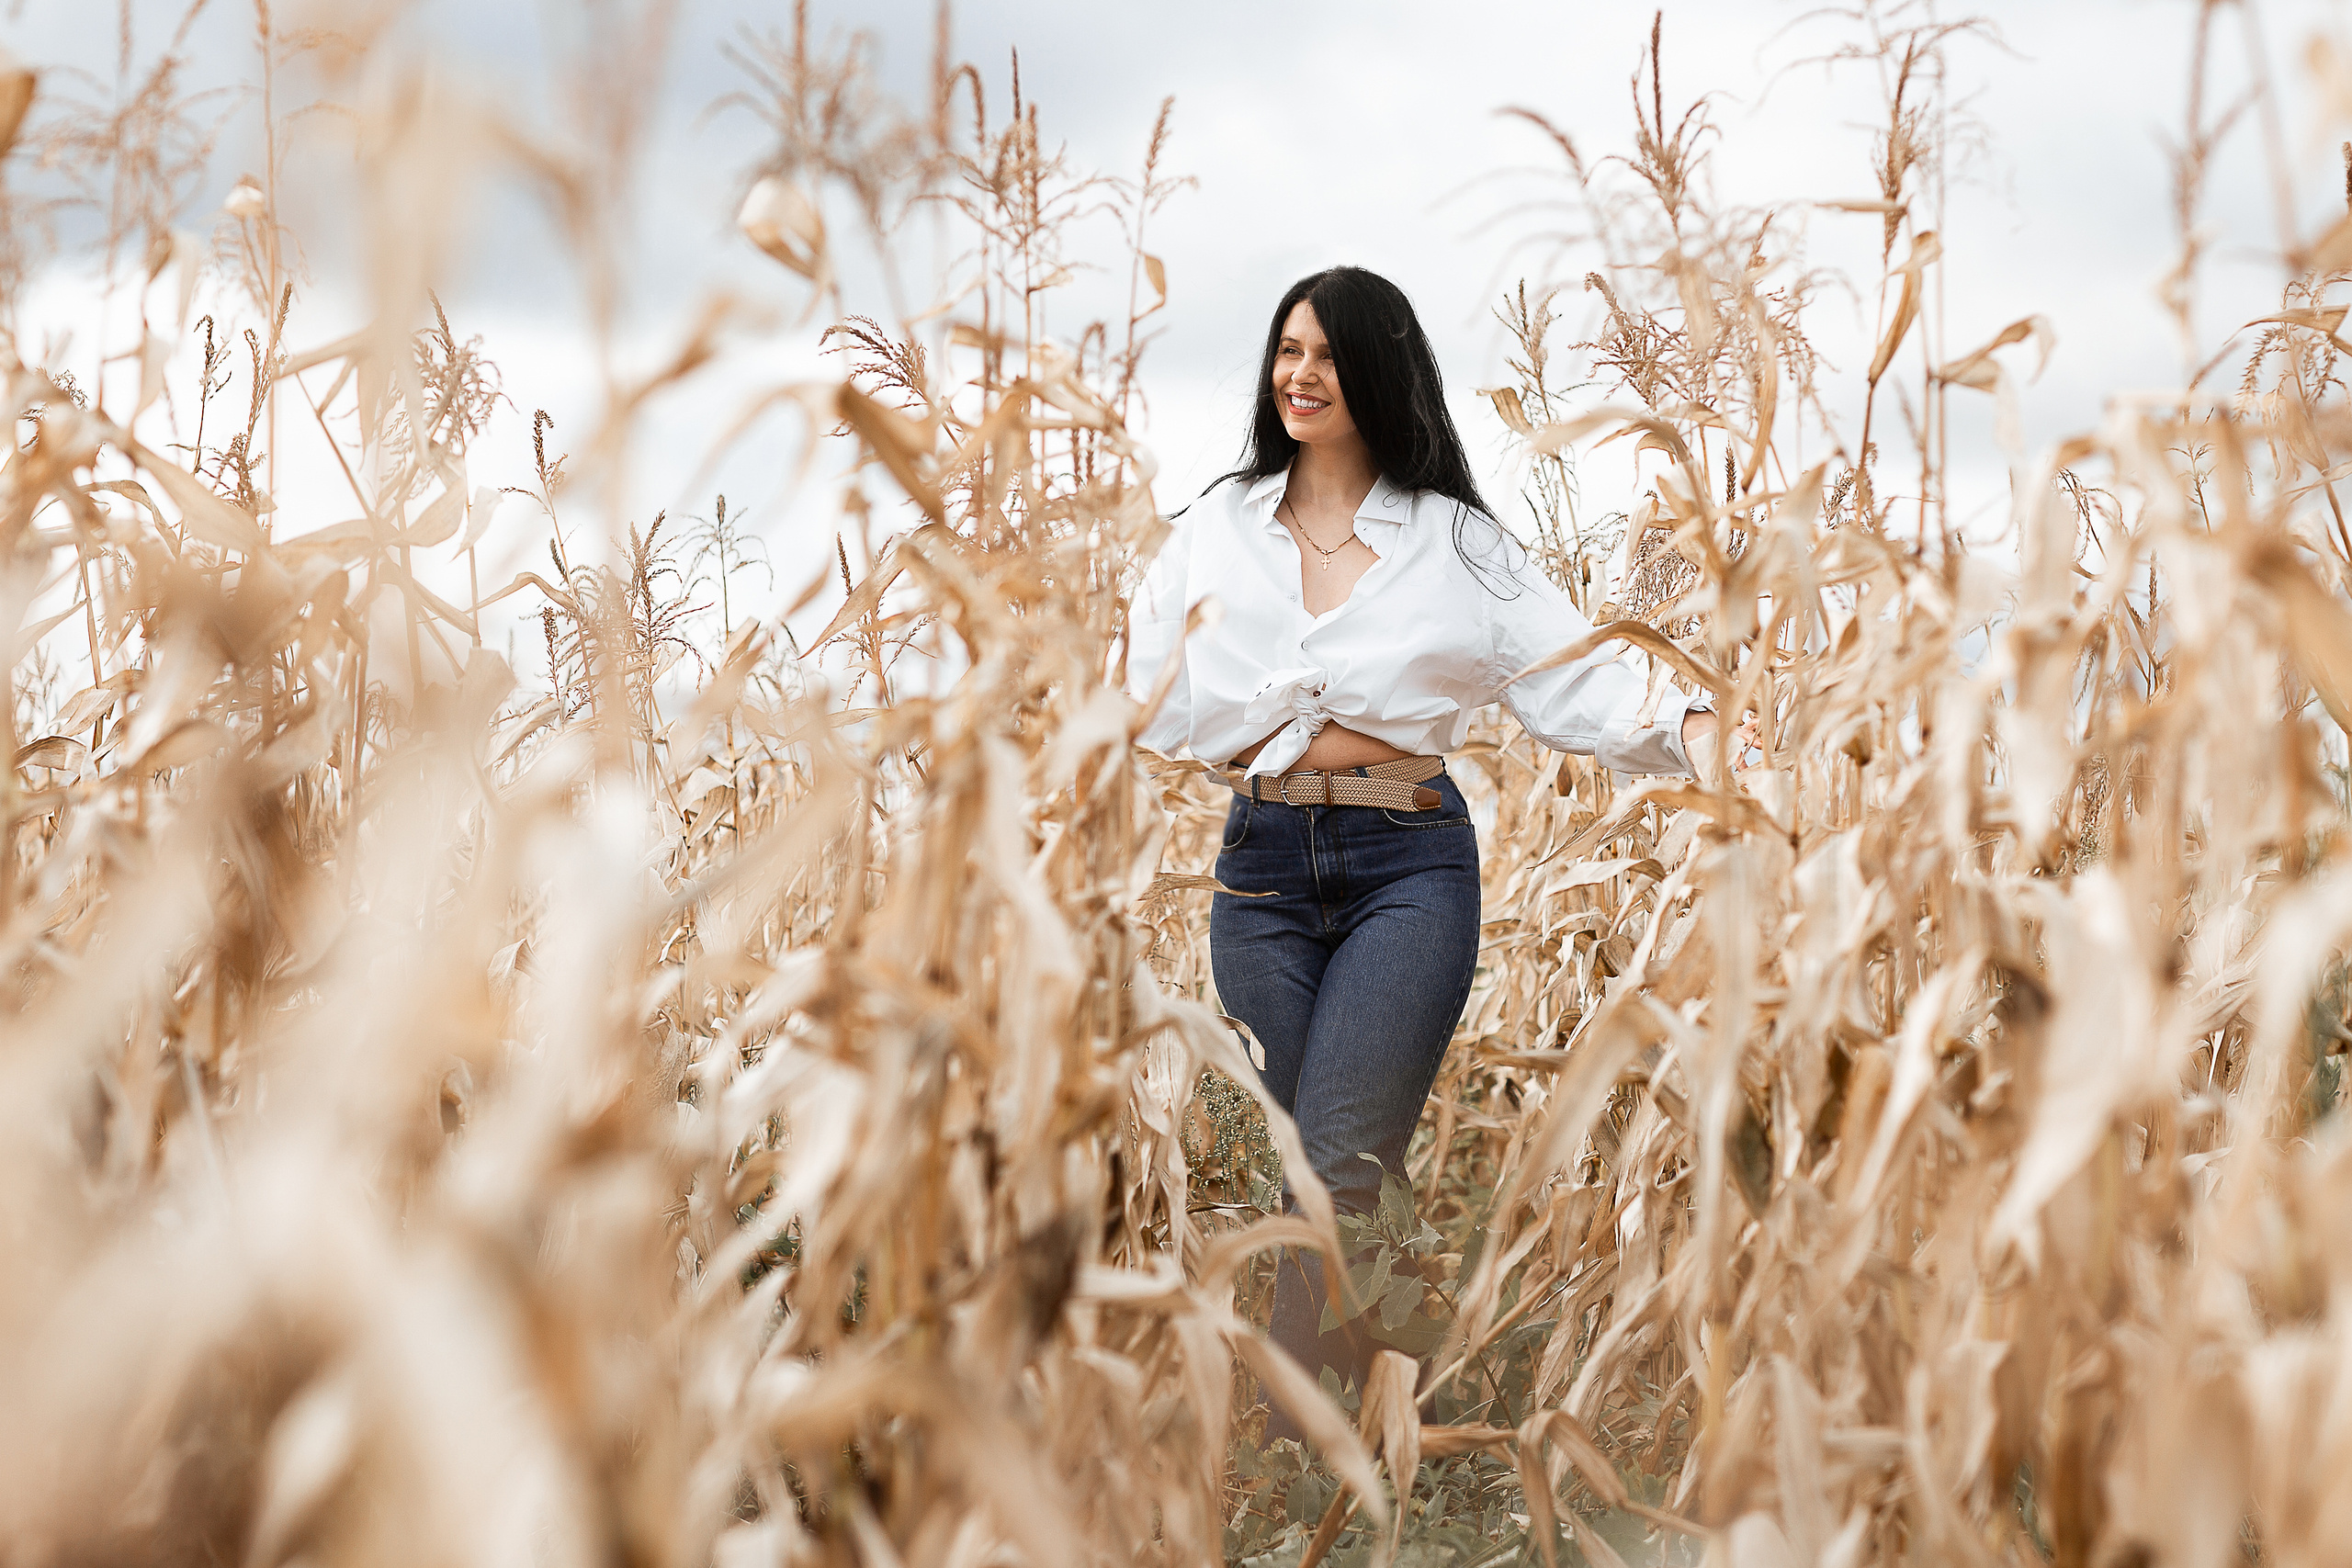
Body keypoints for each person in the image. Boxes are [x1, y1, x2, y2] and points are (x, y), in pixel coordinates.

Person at [1125, 265, 1721, 1434]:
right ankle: (1391, 1396)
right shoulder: (1215, 526)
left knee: (1342, 1153)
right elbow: (1133, 693)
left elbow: (1570, 669)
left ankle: (1289, 1453)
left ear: (1380, 372)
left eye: (1329, 354)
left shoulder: (1454, 540)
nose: (1301, 374)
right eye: (1287, 350)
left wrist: (1695, 726)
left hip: (1407, 867)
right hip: (1259, 874)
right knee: (1314, 1165)